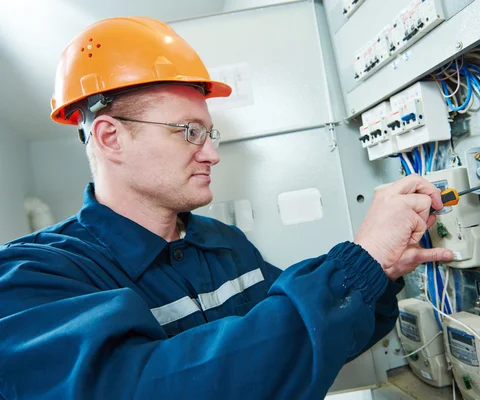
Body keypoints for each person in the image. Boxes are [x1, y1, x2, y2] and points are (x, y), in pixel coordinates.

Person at [0, 17, 453, 400]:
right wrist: (363, 259)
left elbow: (307, 346)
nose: (212, 154)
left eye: (209, 134)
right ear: (110, 137)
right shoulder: (33, 277)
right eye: (188, 131)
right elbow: (147, 386)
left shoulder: (224, 245)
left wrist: (381, 273)